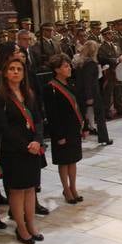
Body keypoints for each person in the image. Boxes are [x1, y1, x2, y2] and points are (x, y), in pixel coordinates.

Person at [0, 55, 45, 244]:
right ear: (5, 73)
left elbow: (37, 118)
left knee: (30, 189)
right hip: (14, 150)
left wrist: (37, 140)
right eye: (12, 69)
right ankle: (20, 227)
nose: (15, 72)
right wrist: (25, 146)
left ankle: (31, 223)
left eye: (19, 69)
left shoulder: (28, 92)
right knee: (16, 190)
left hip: (32, 148)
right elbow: (3, 127)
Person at [43, 54, 84, 204]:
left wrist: (82, 126)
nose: (69, 68)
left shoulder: (70, 85)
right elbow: (52, 114)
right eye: (66, 66)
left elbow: (77, 106)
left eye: (69, 65)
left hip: (73, 128)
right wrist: (59, 135)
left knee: (73, 160)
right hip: (61, 130)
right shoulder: (50, 88)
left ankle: (73, 187)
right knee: (64, 161)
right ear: (57, 70)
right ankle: (66, 189)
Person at [73, 40, 111, 144]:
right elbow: (88, 81)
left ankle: (77, 138)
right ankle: (104, 138)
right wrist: (89, 97)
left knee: (80, 116)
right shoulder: (91, 63)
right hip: (92, 93)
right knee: (100, 115)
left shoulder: (80, 62)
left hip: (80, 92)